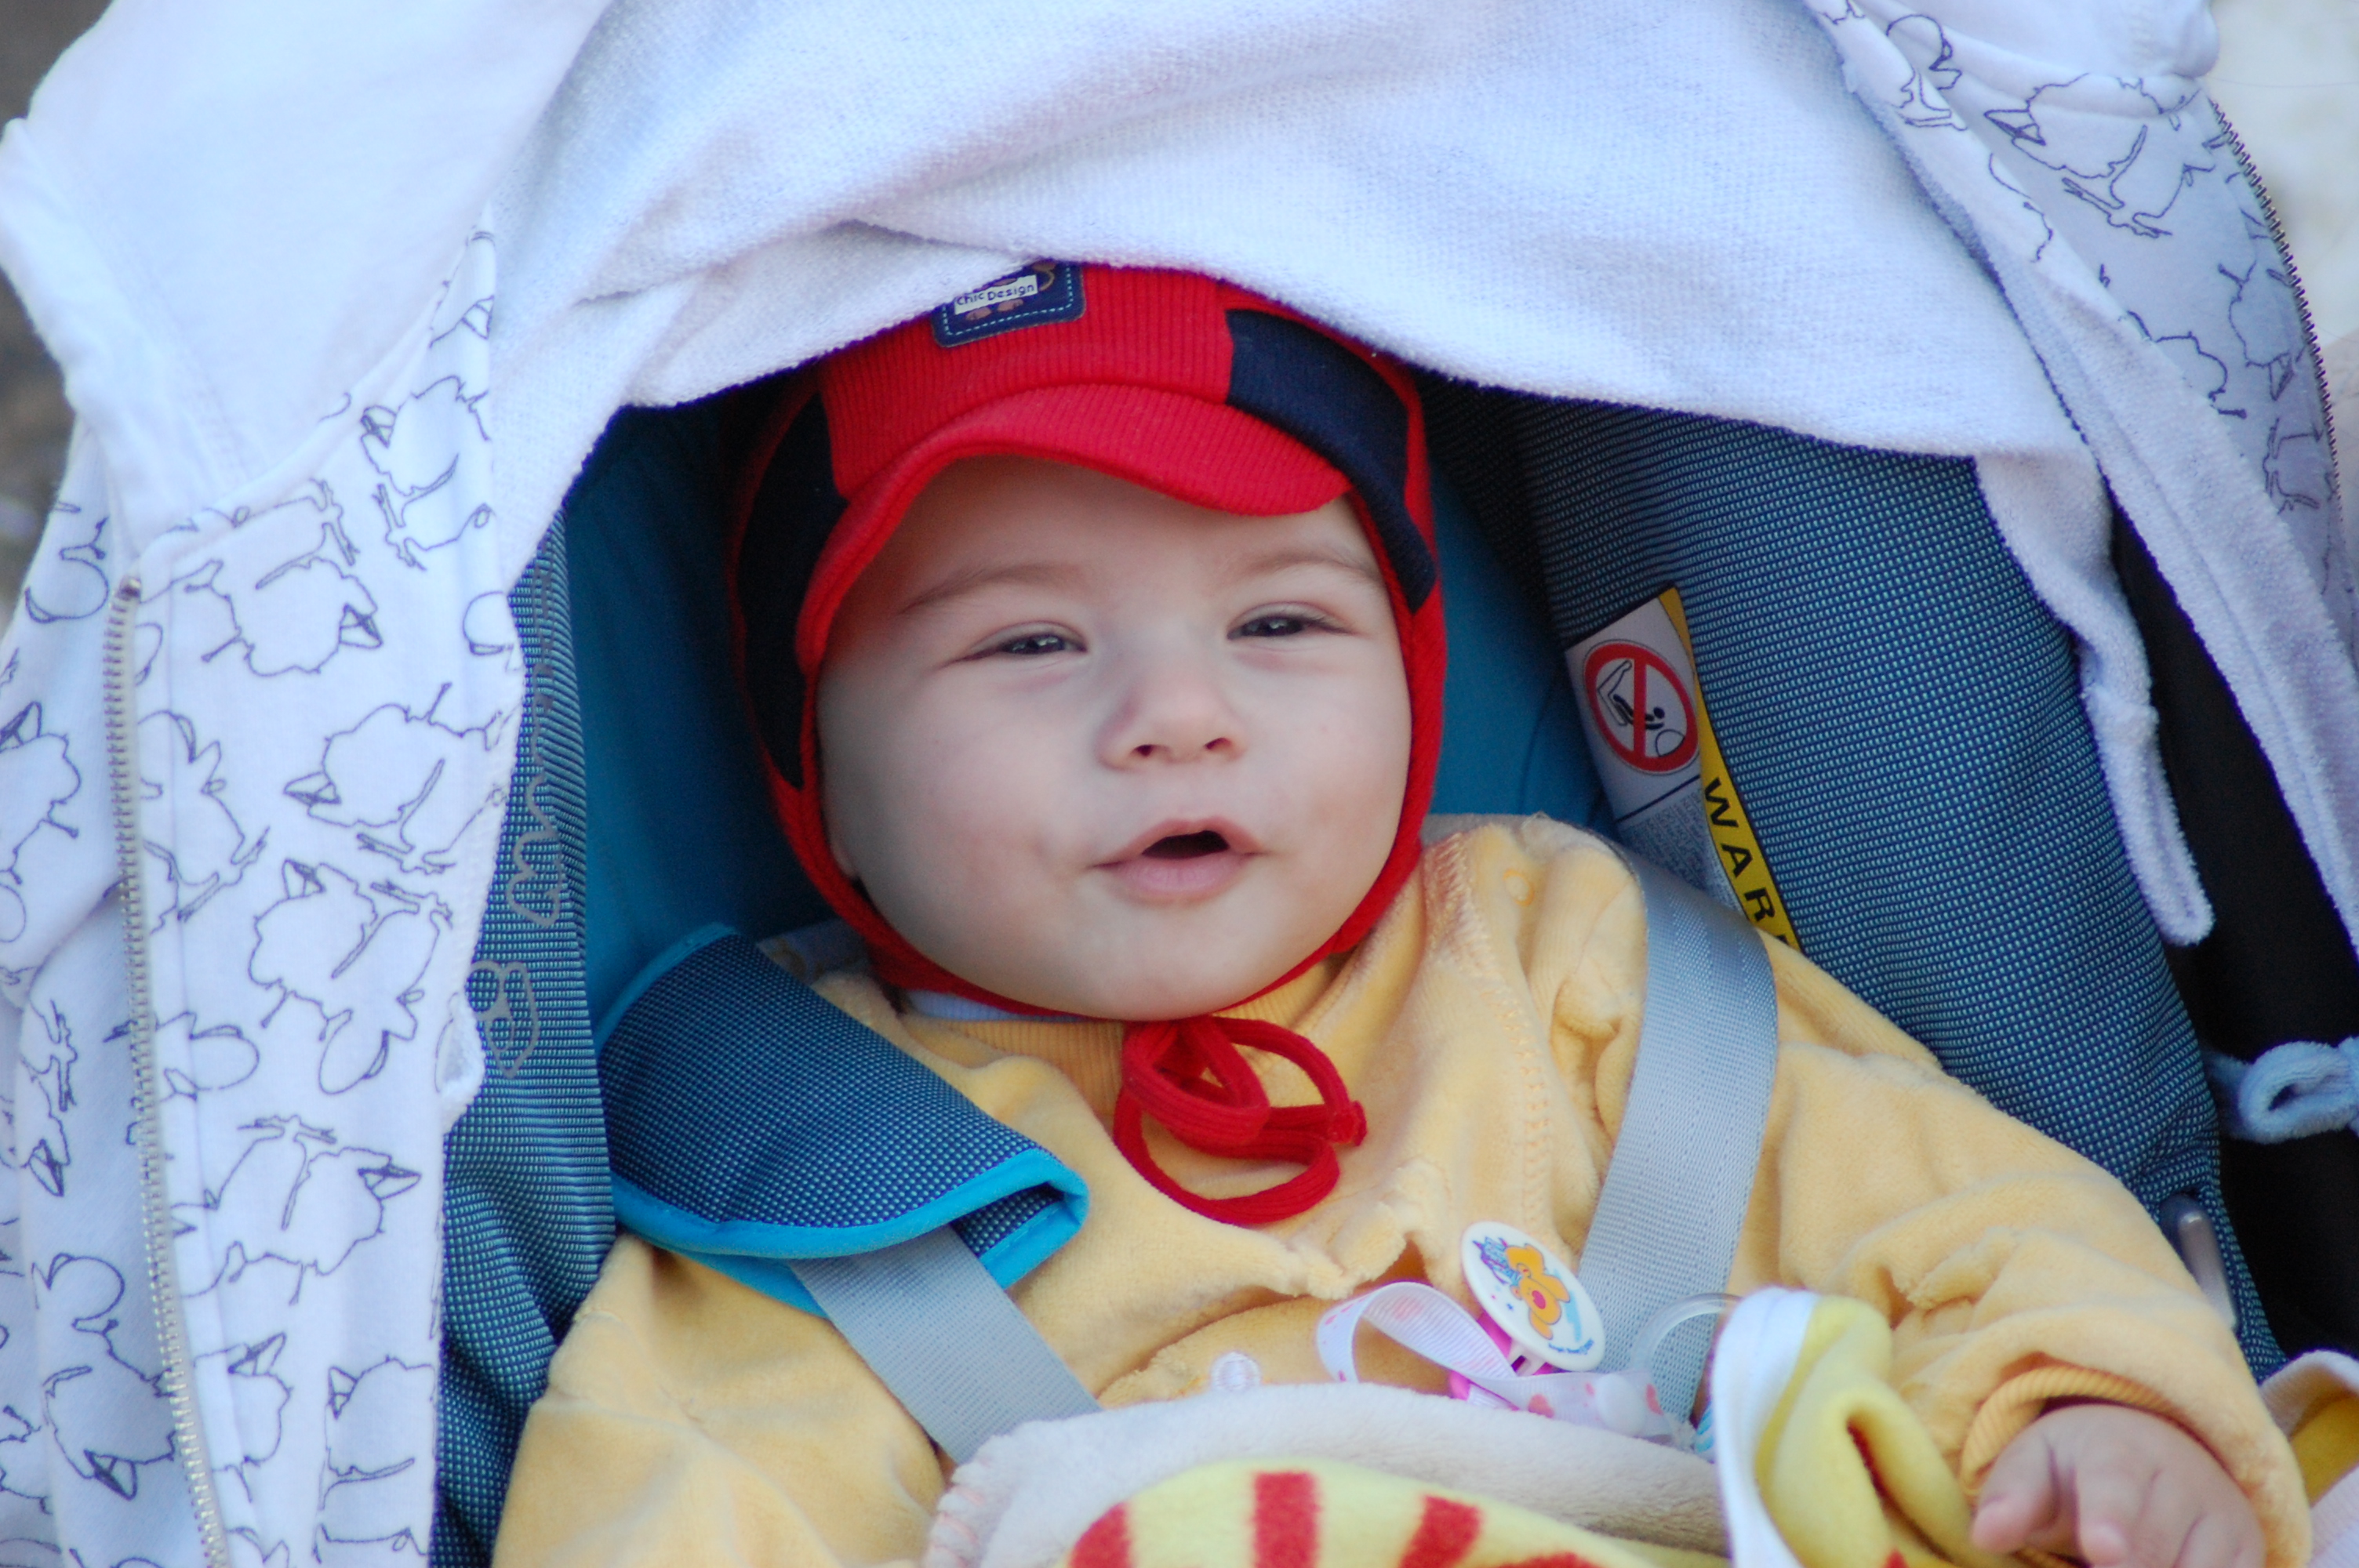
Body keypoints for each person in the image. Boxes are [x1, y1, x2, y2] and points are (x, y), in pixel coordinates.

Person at [492, 265, 2304, 1568]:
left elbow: (1959, 1207)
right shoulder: (800, 1174)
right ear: (813, 762)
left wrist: (2094, 1409)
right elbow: (673, 1500)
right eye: (1028, 641)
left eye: (1278, 623)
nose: (1177, 713)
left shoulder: (1567, 959)